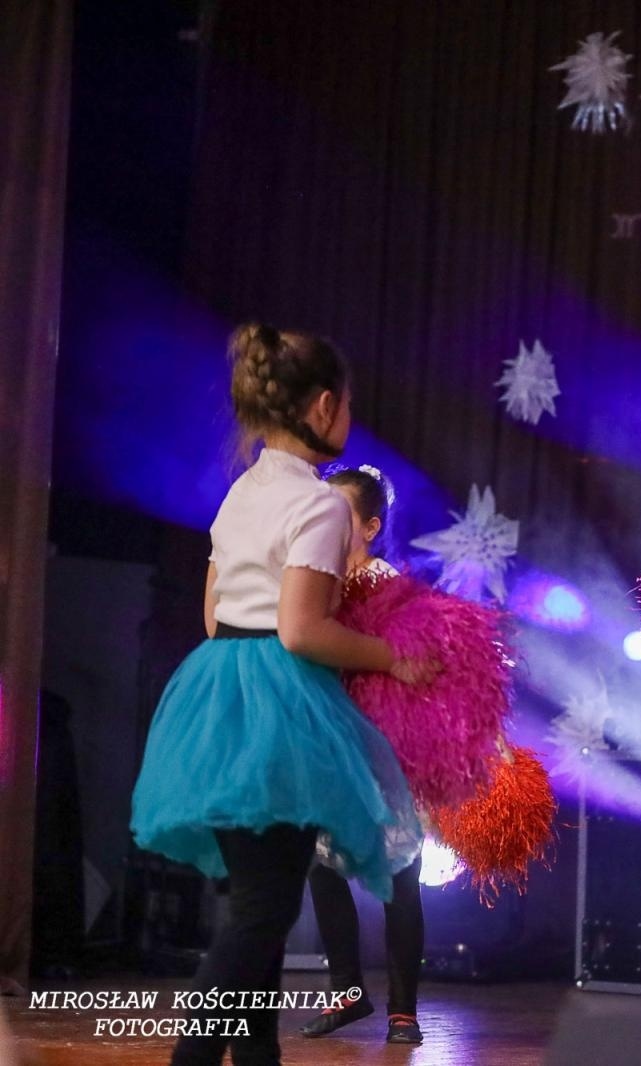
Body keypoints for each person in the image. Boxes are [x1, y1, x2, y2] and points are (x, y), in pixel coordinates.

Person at [130, 324, 426, 1066]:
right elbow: (301, 631)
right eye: (348, 403)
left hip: (218, 691)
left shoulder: (241, 492)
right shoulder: (322, 506)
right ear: (324, 406)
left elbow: (215, 612)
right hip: (281, 704)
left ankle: (259, 1058)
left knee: (254, 902)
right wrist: (394, 658)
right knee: (264, 909)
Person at [299, 465, 423, 1045]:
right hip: (334, 743)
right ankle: (347, 990)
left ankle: (404, 1011)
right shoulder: (318, 586)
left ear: (370, 527)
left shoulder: (386, 586)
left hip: (386, 748)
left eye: (340, 516)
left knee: (401, 879)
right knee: (322, 867)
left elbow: (408, 663)